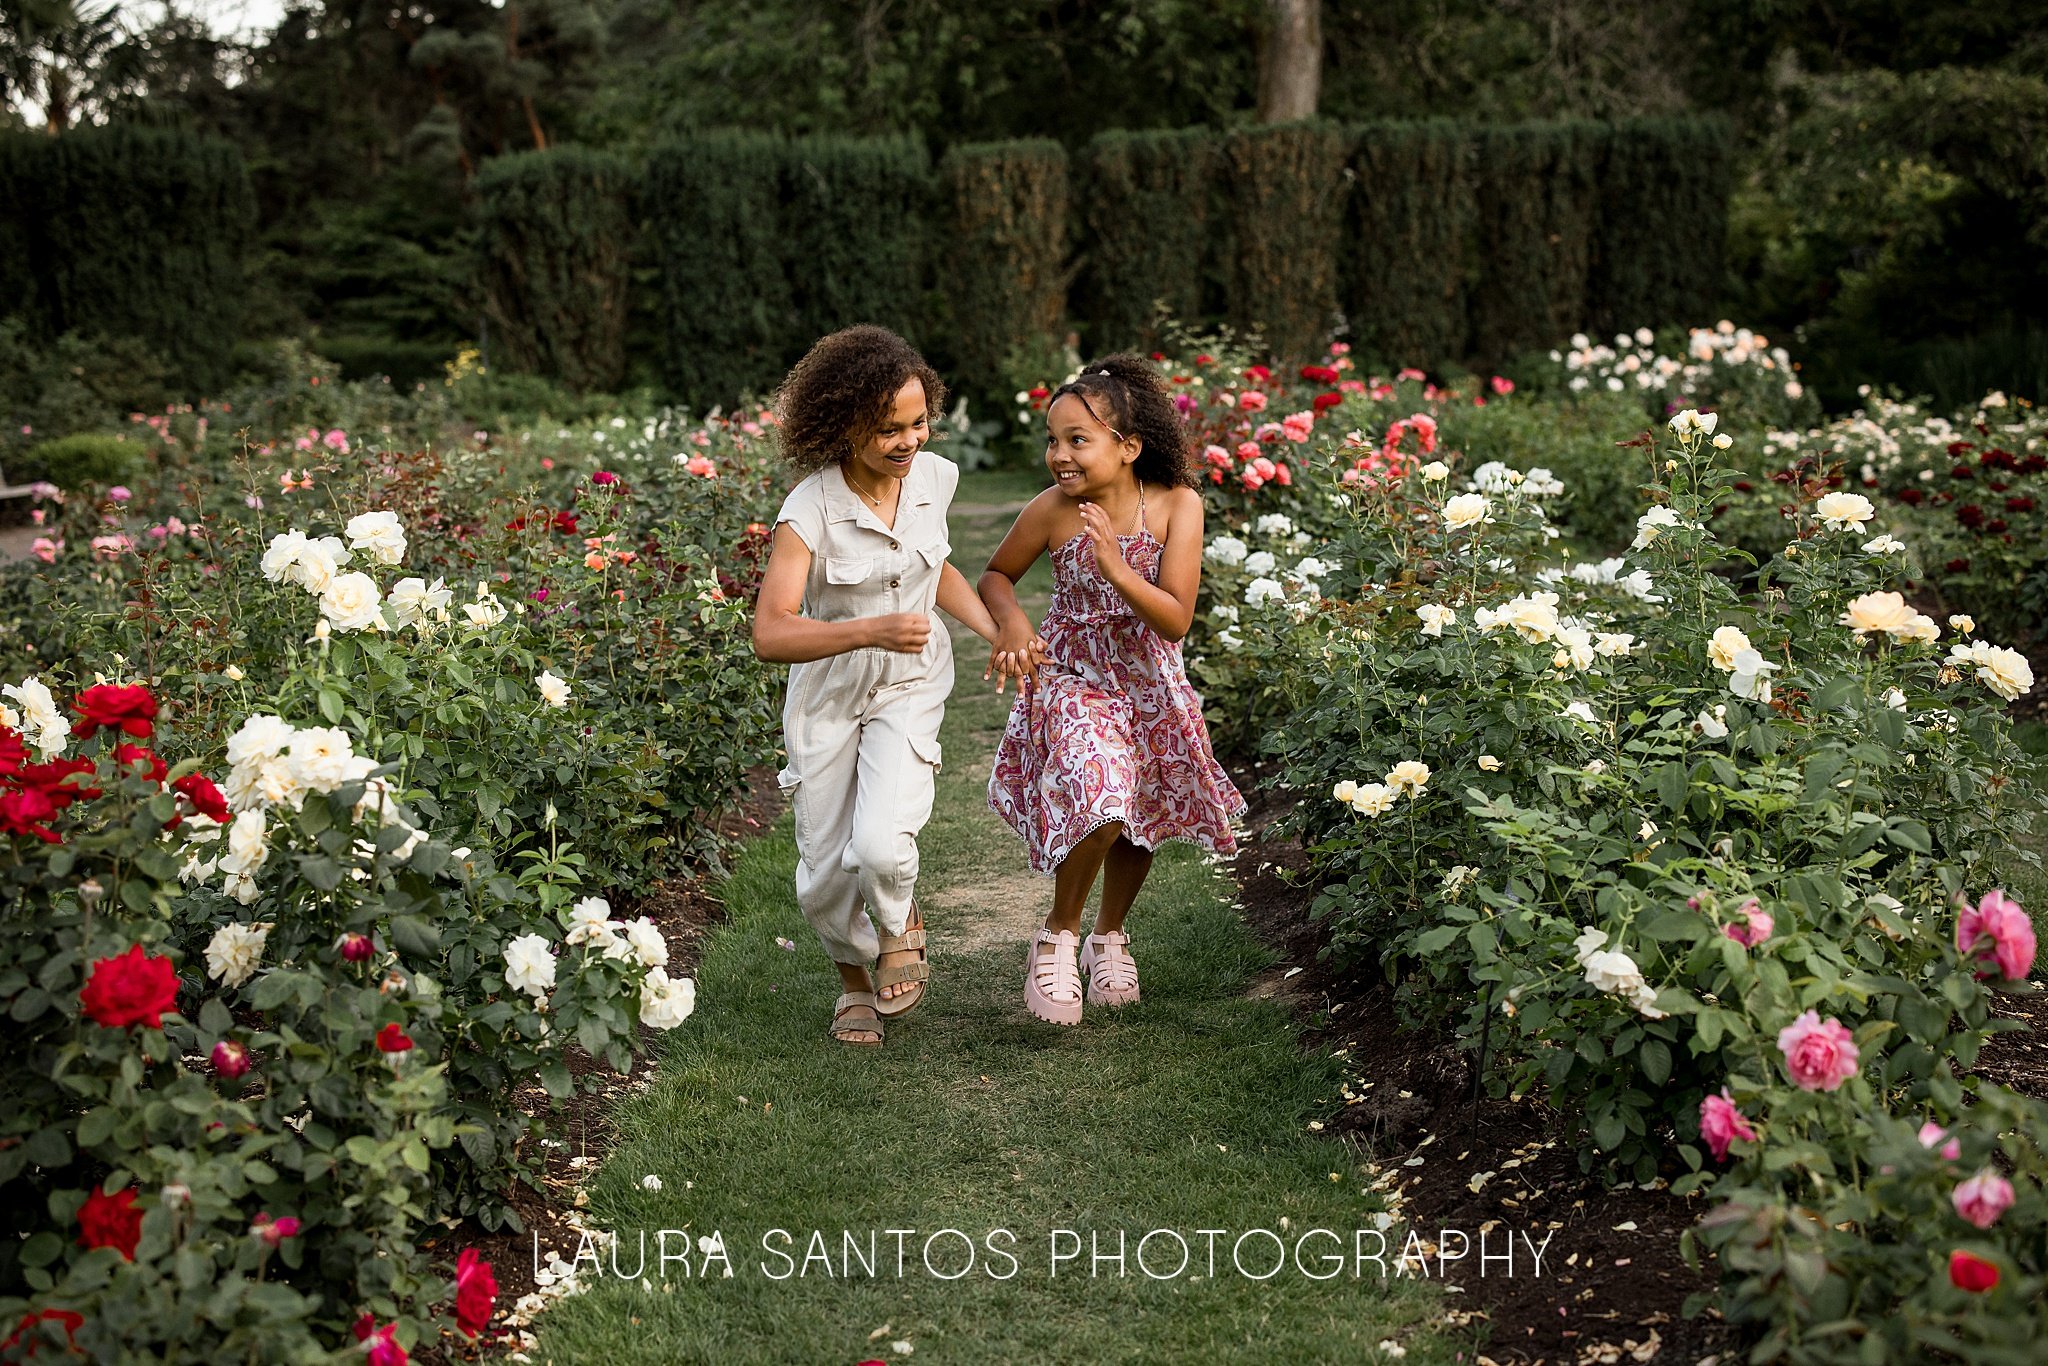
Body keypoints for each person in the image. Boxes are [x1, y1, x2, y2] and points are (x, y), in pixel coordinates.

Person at [752, 326, 1002, 1047]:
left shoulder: (934, 480)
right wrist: (871, 630)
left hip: (908, 682)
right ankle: (853, 982)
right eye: (886, 429)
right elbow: (771, 633)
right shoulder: (809, 512)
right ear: (840, 426)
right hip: (829, 691)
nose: (907, 442)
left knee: (882, 850)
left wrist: (998, 632)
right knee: (825, 876)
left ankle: (898, 922)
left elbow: (937, 568)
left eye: (917, 422)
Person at [980, 354, 1246, 1025]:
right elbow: (996, 577)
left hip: (1151, 681)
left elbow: (1175, 617)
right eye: (1053, 439)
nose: (1060, 455)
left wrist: (1116, 565)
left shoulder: (1177, 505)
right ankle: (1059, 935)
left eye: (1078, 439)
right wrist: (1011, 622)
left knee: (1139, 816)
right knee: (1101, 796)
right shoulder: (1052, 511)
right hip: (1075, 676)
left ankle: (1109, 937)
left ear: (1129, 448)